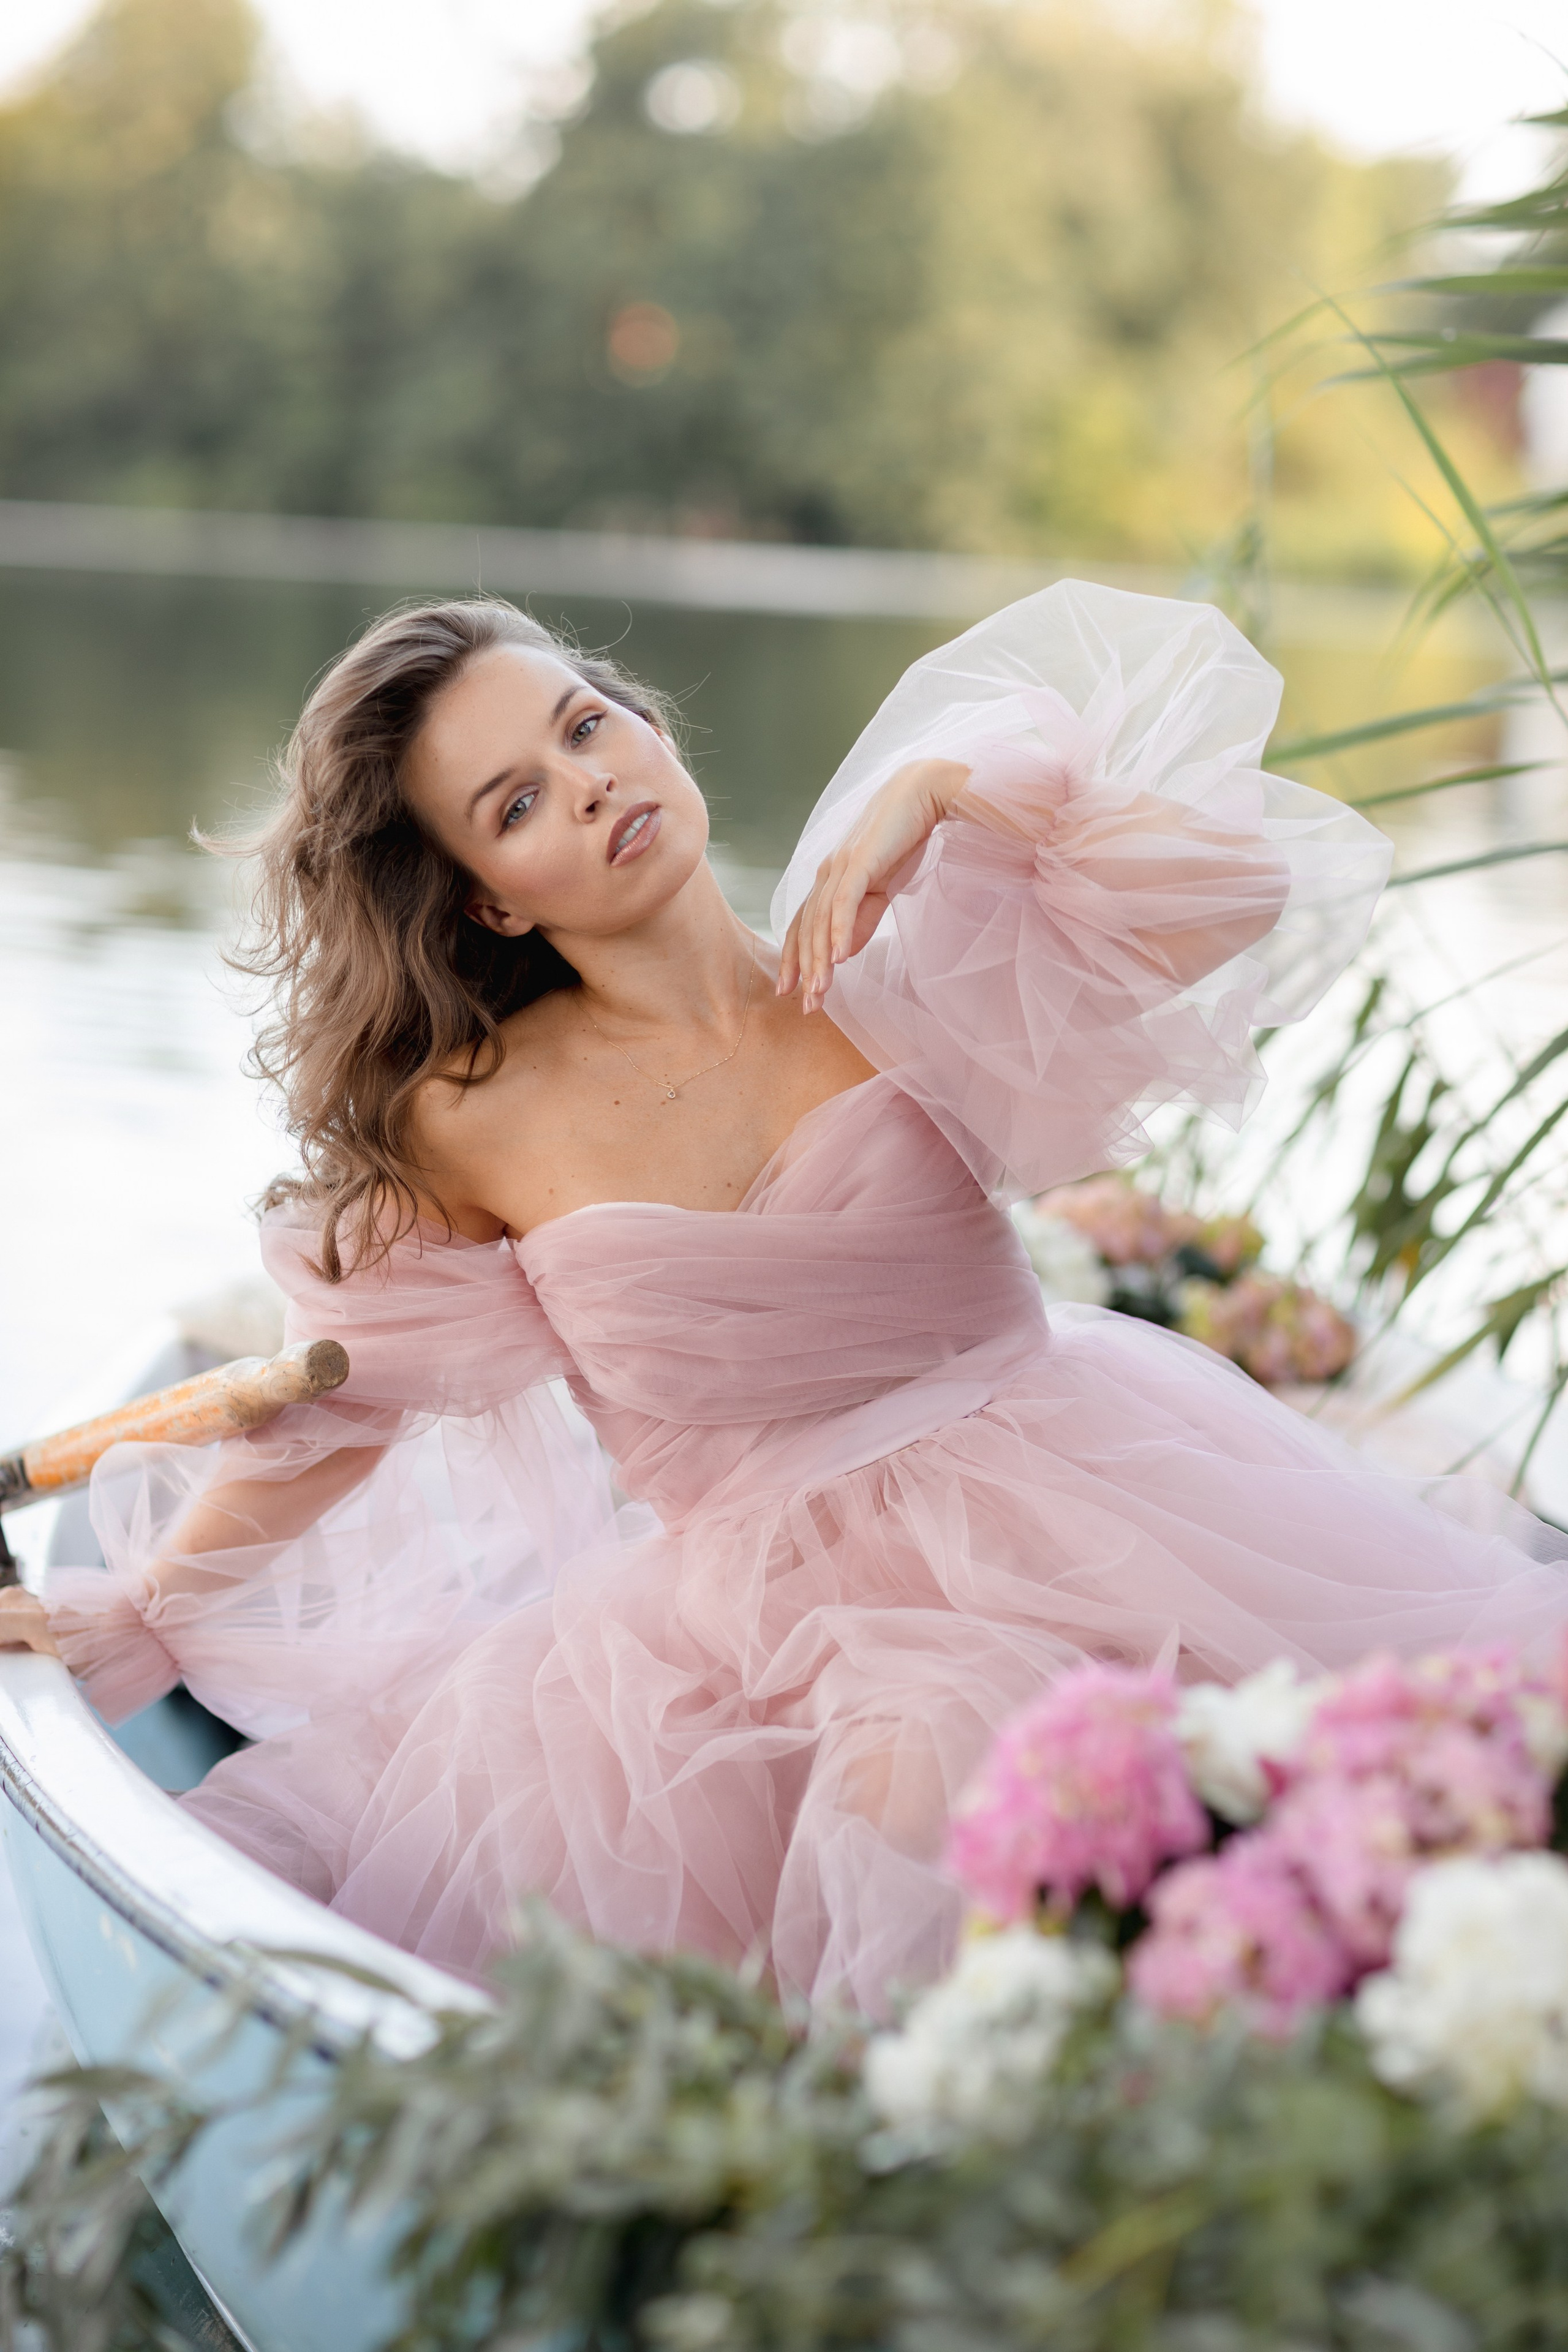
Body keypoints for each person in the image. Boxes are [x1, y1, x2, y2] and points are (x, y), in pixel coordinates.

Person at [3, 581, 1565, 2014]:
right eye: (519, 801)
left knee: (1360, 1797)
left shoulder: (884, 955)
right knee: (917, 1769)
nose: (593, 780)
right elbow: (349, 1403)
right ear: (485, 901)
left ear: (649, 727)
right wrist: (147, 1610)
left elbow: (1237, 888)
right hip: (744, 1624)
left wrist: (961, 797)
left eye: (584, 725)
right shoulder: (470, 1114)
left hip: (1088, 1496)